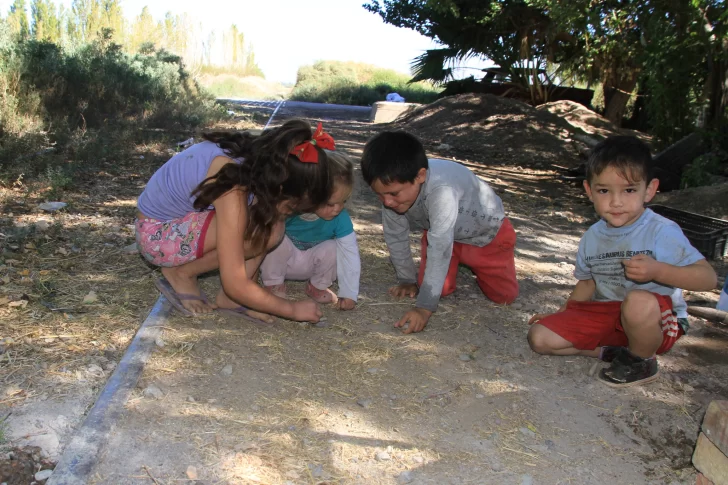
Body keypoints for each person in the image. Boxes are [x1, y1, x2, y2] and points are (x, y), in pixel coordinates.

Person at [528, 136, 717, 387]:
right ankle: (612, 352)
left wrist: (658, 270)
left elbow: (708, 278)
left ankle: (641, 360)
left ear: (649, 190)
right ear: (589, 191)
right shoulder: (592, 237)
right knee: (540, 338)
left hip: (658, 320)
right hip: (609, 313)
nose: (616, 202)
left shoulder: (661, 231)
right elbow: (587, 284)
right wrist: (564, 314)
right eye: (604, 190)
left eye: (629, 190)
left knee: (638, 301)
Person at [135, 120, 335, 324]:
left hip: (175, 229)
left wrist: (253, 296)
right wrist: (290, 309)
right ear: (279, 187)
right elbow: (234, 282)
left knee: (269, 225)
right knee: (266, 226)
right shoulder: (232, 184)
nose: (291, 213)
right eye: (292, 207)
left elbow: (258, 233)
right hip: (156, 237)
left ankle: (229, 301)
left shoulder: (257, 161)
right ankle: (180, 273)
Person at [360, 130, 519, 334]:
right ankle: (449, 271)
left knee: (504, 297)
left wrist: (424, 308)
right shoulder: (391, 196)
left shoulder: (441, 190)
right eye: (379, 195)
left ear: (420, 176)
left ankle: (480, 269)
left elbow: (440, 245)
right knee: (436, 289)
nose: (387, 202)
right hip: (442, 234)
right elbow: (396, 236)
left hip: (487, 237)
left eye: (393, 194)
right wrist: (406, 279)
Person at [260, 150, 361, 310]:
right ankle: (273, 283)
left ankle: (317, 285)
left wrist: (349, 293)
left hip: (310, 265)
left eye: (344, 201)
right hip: (284, 262)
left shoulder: (341, 218)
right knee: (276, 239)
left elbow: (350, 254)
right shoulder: (292, 210)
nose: (338, 209)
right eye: (330, 203)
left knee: (334, 247)